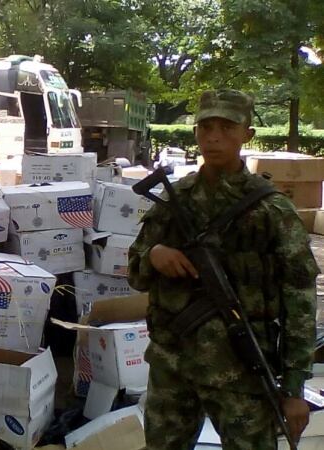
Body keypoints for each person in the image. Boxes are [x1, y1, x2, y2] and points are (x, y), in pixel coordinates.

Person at [128, 89, 319, 449]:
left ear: (247, 134)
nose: (214, 138)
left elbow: (300, 302)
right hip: (174, 366)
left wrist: (294, 388)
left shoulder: (272, 210)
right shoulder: (175, 199)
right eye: (206, 127)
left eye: (227, 128)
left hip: (242, 372)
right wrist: (154, 255)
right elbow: (135, 273)